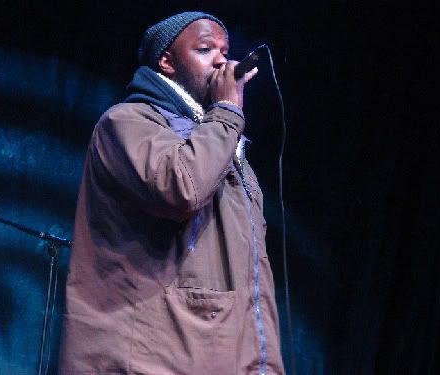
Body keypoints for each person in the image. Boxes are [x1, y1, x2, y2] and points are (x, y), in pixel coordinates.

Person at [59, 11, 285, 375]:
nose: (222, 61)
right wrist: (227, 111)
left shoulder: (223, 144)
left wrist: (265, 365)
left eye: (225, 51)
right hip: (150, 358)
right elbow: (182, 189)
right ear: (166, 61)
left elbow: (253, 279)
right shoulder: (127, 123)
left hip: (216, 358)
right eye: (205, 48)